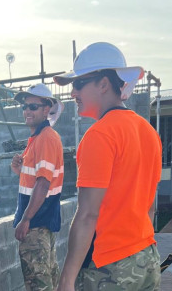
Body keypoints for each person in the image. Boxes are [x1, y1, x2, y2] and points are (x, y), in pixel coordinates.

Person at [53, 42, 162, 291]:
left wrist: (67, 280)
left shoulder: (100, 135)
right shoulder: (147, 131)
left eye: (78, 84)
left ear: (103, 84)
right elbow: (150, 204)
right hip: (146, 257)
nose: (73, 93)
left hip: (111, 267)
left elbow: (88, 214)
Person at [11, 83, 65, 291]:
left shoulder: (45, 138)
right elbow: (39, 179)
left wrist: (26, 220)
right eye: (25, 107)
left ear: (46, 109)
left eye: (33, 106)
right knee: (48, 280)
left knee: (38, 285)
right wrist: (21, 171)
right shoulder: (38, 139)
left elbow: (43, 183)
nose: (27, 111)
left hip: (36, 225)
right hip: (42, 224)